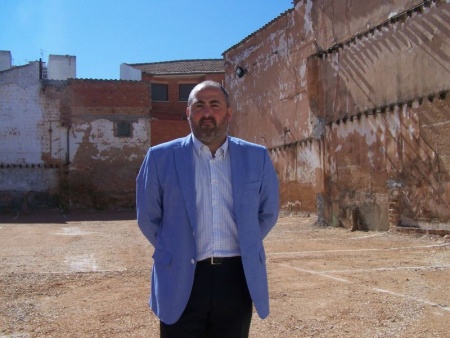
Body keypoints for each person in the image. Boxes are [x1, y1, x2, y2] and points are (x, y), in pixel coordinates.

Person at [136, 80, 279, 338]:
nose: (207, 112)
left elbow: (267, 212)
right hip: (180, 278)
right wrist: (175, 247)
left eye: (215, 105)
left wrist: (246, 240)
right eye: (199, 105)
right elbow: (148, 218)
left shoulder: (256, 157)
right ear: (188, 113)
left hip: (236, 278)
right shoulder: (159, 158)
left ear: (228, 112)